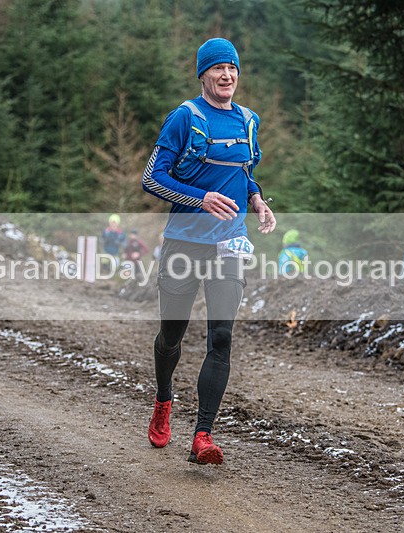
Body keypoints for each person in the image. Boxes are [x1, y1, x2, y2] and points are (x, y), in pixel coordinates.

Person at [141, 37, 276, 465]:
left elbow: (244, 171)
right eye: (218, 69)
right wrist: (200, 199)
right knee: (172, 336)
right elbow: (152, 178)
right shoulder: (185, 117)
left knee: (222, 336)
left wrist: (257, 199)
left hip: (229, 241)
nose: (227, 76)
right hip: (184, 241)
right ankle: (164, 400)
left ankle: (203, 434)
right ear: (203, 74)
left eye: (232, 69)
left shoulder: (249, 121)